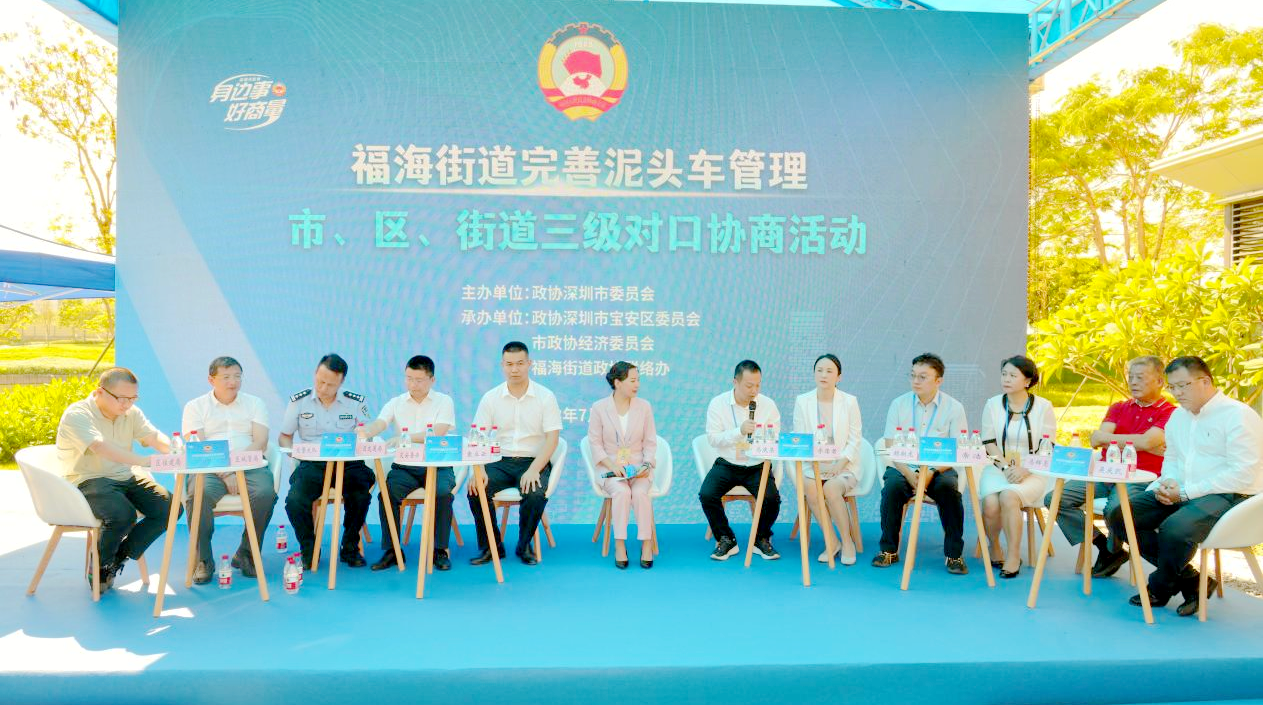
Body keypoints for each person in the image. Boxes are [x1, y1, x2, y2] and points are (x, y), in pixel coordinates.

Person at [1106, 356, 1263, 616]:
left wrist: (1186, 492)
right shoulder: (1179, 416)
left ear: (1205, 381)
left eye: (1183, 386)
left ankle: (1160, 586)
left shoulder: (1238, 415)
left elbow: (1243, 472)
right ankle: (1191, 581)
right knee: (1121, 515)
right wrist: (1168, 482)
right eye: (1173, 387)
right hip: (1183, 489)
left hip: (1229, 493)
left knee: (1175, 529)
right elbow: (1172, 458)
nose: (1177, 393)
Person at [1044, 356, 1175, 579]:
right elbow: (1097, 439)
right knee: (1055, 498)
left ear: (1160, 381)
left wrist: (1116, 440)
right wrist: (1139, 442)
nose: (1133, 382)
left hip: (1138, 478)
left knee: (1117, 510)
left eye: (1140, 377)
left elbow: (1147, 441)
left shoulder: (1169, 412)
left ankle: (1113, 552)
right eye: (1131, 377)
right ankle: (1104, 547)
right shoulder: (1119, 407)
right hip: (1104, 473)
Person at [55, 367, 177, 592]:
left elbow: (152, 437)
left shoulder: (131, 413)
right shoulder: (78, 414)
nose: (127, 404)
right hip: (89, 479)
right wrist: (143, 461)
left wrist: (175, 451)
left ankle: (118, 557)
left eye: (133, 398)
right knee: (122, 514)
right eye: (121, 398)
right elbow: (100, 447)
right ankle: (102, 566)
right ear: (100, 392)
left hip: (125, 476)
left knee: (170, 507)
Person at [871, 353, 971, 575]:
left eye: (923, 377)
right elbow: (890, 446)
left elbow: (956, 449)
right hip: (903, 466)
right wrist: (909, 474)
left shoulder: (954, 408)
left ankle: (954, 554)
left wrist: (931, 472)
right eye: (913, 375)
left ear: (938, 380)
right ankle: (888, 550)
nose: (916, 381)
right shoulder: (898, 404)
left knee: (949, 489)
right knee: (892, 488)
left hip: (939, 468)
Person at [181, 356, 277, 584]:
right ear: (211, 380)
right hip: (210, 468)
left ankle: (247, 553)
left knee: (265, 494)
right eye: (226, 377)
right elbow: (198, 446)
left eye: (237, 376)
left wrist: (238, 469)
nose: (232, 382)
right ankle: (203, 560)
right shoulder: (195, 407)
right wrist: (226, 473)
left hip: (249, 464)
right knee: (198, 495)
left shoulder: (255, 403)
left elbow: (261, 441)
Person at [467, 341, 562, 566]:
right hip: (498, 460)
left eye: (520, 363)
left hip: (533, 460)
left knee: (535, 493)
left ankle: (524, 545)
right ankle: (492, 547)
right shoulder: (491, 397)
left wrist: (534, 469)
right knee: (476, 490)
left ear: (529, 364)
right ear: (502, 365)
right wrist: (478, 469)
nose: (515, 369)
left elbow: (553, 439)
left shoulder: (545, 396)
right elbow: (476, 437)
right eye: (509, 364)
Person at [361, 355, 456, 572]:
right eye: (409, 378)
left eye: (419, 380)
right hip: (405, 467)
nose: (413, 384)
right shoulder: (396, 402)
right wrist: (366, 431)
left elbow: (439, 431)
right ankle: (392, 550)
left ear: (432, 380)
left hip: (437, 465)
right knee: (387, 494)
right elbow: (380, 423)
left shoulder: (444, 401)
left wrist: (405, 438)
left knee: (442, 493)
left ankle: (439, 550)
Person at [280, 353, 373, 569]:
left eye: (330, 385)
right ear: (315, 373)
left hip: (347, 463)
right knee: (294, 501)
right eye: (320, 381)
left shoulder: (355, 401)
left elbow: (367, 432)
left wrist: (363, 436)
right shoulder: (299, 401)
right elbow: (284, 436)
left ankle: (350, 547)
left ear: (341, 382)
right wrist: (294, 454)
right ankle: (309, 550)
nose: (323, 388)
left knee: (360, 496)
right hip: (313, 464)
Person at [979, 355, 1056, 578]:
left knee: (1008, 496)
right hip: (998, 467)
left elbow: (1047, 446)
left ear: (1027, 380)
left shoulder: (1043, 407)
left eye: (1013, 375)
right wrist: (1006, 468)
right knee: (990, 503)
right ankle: (995, 546)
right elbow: (989, 442)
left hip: (1033, 470)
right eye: (1004, 374)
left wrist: (1025, 469)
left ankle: (1013, 556)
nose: (1006, 379)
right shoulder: (992, 404)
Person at [699, 359, 782, 561]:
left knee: (772, 500)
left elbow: (776, 437)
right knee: (707, 495)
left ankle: (760, 538)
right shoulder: (718, 403)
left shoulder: (768, 405)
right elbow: (713, 438)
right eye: (749, 386)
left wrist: (765, 441)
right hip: (727, 463)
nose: (754, 391)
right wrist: (739, 431)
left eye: (758, 385)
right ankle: (726, 538)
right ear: (735, 382)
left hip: (757, 465)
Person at [792, 354, 863, 565]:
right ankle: (832, 541)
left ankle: (847, 542)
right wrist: (817, 465)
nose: (823, 375)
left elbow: (855, 439)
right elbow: (801, 438)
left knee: (831, 489)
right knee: (811, 488)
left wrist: (839, 465)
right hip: (813, 465)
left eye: (829, 371)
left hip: (844, 466)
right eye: (819, 370)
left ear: (838, 377)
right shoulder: (802, 401)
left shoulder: (849, 401)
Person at [587, 361, 658, 569]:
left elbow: (650, 442)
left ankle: (646, 544)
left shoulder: (644, 407)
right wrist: (612, 465)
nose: (637, 385)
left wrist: (647, 465)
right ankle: (619, 544)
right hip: (610, 467)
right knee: (622, 492)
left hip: (638, 468)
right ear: (618, 383)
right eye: (633, 381)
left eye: (639, 380)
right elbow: (595, 443)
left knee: (640, 493)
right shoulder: (599, 408)